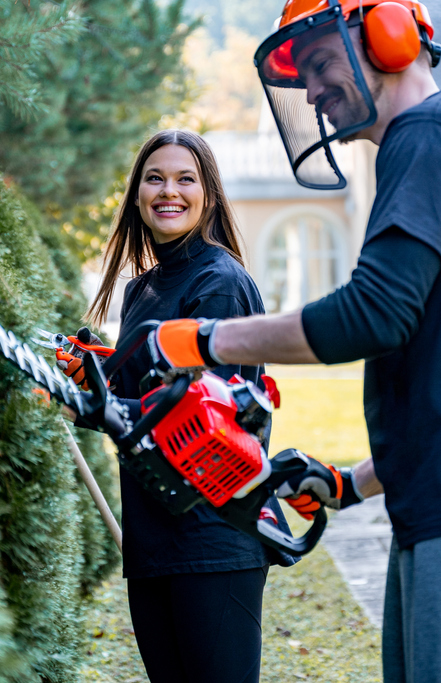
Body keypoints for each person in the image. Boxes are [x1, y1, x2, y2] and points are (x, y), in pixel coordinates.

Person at [143, 0, 441, 683]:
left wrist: (197, 340)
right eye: (304, 78)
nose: (312, 91)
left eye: (319, 64)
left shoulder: (430, 135)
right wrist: (350, 483)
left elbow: (371, 312)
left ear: (385, 34)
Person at [62, 129, 291, 683]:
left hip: (213, 538)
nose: (170, 191)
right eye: (155, 177)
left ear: (207, 194)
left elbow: (204, 419)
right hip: (154, 537)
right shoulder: (142, 290)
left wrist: (104, 395)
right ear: (137, 193)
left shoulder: (218, 284)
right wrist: (98, 377)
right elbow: (148, 388)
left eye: (185, 178)